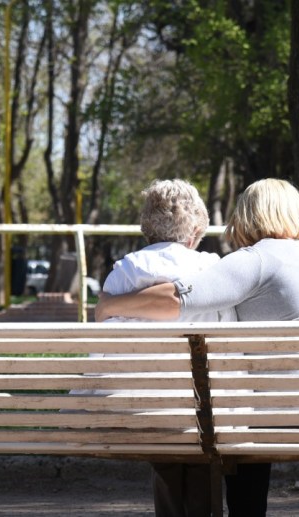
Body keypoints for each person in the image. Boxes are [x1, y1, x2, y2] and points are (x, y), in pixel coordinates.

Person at [96, 178, 299, 517]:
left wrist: (110, 305)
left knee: (241, 449)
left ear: (249, 214)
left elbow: (175, 299)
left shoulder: (256, 260)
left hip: (279, 415)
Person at [100, 178, 235, 517]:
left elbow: (103, 350)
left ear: (147, 226)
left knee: (166, 447)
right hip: (203, 407)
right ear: (195, 230)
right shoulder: (211, 268)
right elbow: (229, 342)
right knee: (199, 443)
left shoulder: (124, 271)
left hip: (141, 406)